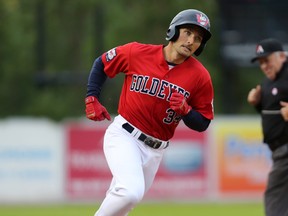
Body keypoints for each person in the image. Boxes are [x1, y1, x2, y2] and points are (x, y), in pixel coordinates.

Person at [85, 9, 214, 216]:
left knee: (123, 204)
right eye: (188, 32)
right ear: (173, 30)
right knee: (129, 193)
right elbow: (101, 63)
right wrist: (92, 97)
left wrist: (186, 110)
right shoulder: (137, 52)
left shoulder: (200, 77)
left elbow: (203, 122)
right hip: (125, 135)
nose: (191, 40)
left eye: (198, 38)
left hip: (156, 151)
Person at [247, 38, 288, 216]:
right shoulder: (267, 82)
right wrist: (256, 103)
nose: (264, 66)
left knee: (275, 197)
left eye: (267, 60)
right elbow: (271, 115)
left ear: (282, 56)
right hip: (278, 150)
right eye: (261, 62)